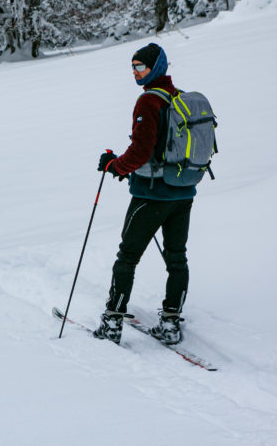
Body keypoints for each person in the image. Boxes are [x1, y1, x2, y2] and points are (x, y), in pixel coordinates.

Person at [92, 43, 193, 345]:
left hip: (151, 195)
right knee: (177, 258)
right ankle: (171, 323)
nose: (136, 72)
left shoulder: (149, 101)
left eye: (141, 67)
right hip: (183, 192)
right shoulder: (180, 98)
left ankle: (112, 322)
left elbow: (141, 150)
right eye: (133, 67)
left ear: (157, 66)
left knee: (127, 257)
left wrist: (115, 165)